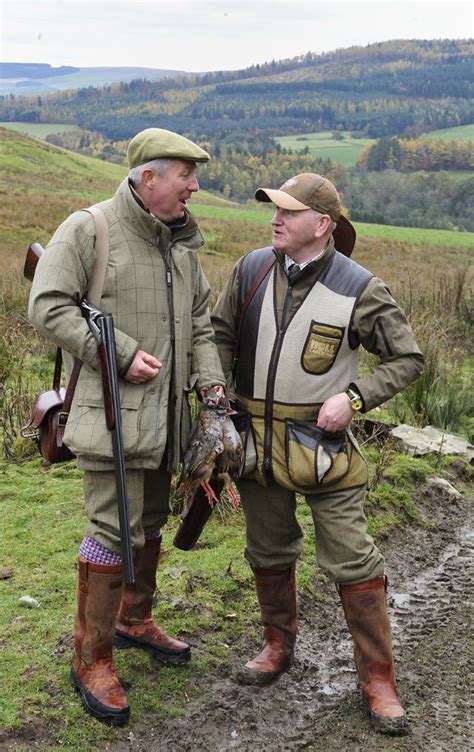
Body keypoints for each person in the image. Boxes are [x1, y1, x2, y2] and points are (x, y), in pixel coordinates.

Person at [211, 173, 424, 736]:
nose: (274, 219)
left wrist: (354, 398)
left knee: (354, 561)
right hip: (255, 446)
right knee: (267, 549)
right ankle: (277, 645)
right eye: (273, 210)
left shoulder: (359, 286)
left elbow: (407, 359)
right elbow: (219, 334)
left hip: (324, 447)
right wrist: (217, 397)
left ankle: (378, 680)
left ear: (322, 225)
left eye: (287, 211)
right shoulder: (251, 269)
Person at [28, 128, 227, 725]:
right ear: (148, 179)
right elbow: (48, 305)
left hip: (169, 419)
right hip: (112, 416)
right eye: (186, 176)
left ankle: (134, 618)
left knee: (150, 524)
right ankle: (90, 657)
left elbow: (199, 324)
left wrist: (211, 389)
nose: (195, 186)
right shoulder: (89, 228)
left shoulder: (182, 247)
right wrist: (117, 352)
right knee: (112, 531)